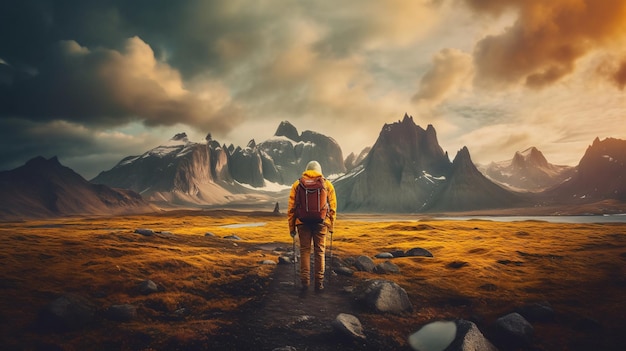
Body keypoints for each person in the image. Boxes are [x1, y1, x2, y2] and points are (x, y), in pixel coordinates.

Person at [288, 160, 337, 292]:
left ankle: (305, 283)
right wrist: (330, 226)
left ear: (306, 170)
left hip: (302, 223)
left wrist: (292, 227)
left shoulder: (297, 184)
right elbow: (332, 208)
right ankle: (319, 284)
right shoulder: (327, 184)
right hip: (321, 223)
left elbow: (291, 208)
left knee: (305, 251)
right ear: (319, 171)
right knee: (319, 252)